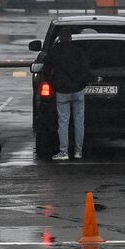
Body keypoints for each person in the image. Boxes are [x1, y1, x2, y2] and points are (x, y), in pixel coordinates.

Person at [43, 31, 92, 161]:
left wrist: (54, 84)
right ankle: (78, 152)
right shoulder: (78, 51)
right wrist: (83, 84)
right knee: (79, 122)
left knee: (63, 122)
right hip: (78, 90)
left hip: (62, 91)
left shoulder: (55, 51)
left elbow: (46, 69)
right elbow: (86, 70)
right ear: (71, 38)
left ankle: (63, 152)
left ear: (59, 39)